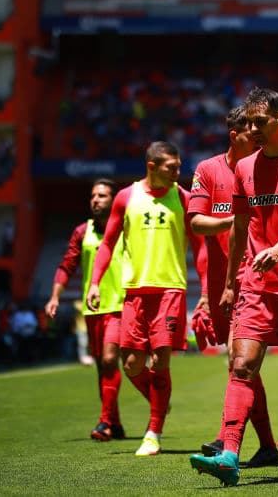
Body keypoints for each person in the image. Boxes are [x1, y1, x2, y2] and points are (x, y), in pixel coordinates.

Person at [188, 88, 278, 486]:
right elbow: (239, 227)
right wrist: (233, 280)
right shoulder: (244, 167)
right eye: (247, 122)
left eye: (259, 122)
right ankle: (230, 454)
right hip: (256, 283)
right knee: (242, 365)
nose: (251, 129)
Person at [87, 141, 201, 456]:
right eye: (172, 167)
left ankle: (153, 433)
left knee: (159, 361)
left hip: (170, 291)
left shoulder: (183, 198)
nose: (179, 173)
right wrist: (95, 283)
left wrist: (204, 289)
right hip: (134, 293)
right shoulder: (126, 197)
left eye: (179, 166)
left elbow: (201, 248)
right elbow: (108, 243)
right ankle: (159, 401)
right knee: (132, 365)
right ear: (152, 166)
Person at [189, 106, 278, 468]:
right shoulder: (208, 170)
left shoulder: (267, 167)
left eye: (261, 130)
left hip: (256, 279)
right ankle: (263, 445)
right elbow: (196, 223)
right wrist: (236, 219)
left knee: (239, 362)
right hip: (221, 283)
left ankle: (233, 443)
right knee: (240, 366)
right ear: (234, 135)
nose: (257, 137)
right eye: (250, 132)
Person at [45, 178, 127, 441]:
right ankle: (115, 421)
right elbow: (67, 265)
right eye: (93, 196)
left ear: (114, 200)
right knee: (102, 368)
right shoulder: (82, 232)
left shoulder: (128, 228)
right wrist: (55, 297)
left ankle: (104, 422)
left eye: (102, 196)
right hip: (93, 309)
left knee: (108, 360)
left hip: (121, 305)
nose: (96, 200)